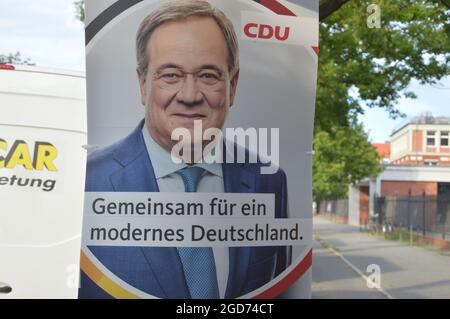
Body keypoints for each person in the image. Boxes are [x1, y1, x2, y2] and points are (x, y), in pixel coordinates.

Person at [79, 0, 290, 299]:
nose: (190, 95)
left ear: (232, 85)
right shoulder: (89, 181)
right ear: (142, 84)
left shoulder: (269, 181)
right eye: (170, 75)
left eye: (208, 75)